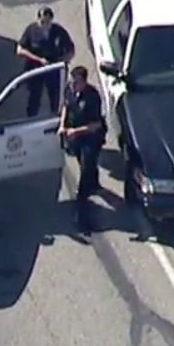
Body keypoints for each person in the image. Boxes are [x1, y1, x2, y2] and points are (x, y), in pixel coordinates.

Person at [60, 65, 107, 232]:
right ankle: (94, 182)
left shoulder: (92, 97)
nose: (73, 85)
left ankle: (81, 211)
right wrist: (62, 125)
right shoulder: (70, 89)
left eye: (76, 83)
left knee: (86, 169)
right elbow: (66, 106)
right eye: (72, 82)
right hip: (76, 138)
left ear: (84, 82)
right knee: (84, 163)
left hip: (90, 138)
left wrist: (75, 131)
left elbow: (96, 125)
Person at [16, 7, 75, 118]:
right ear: (38, 19)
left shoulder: (59, 32)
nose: (45, 25)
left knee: (55, 95)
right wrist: (38, 59)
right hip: (35, 69)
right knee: (34, 95)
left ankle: (55, 116)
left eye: (48, 22)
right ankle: (31, 117)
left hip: (53, 70)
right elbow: (20, 50)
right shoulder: (31, 30)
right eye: (42, 22)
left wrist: (62, 61)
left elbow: (71, 50)